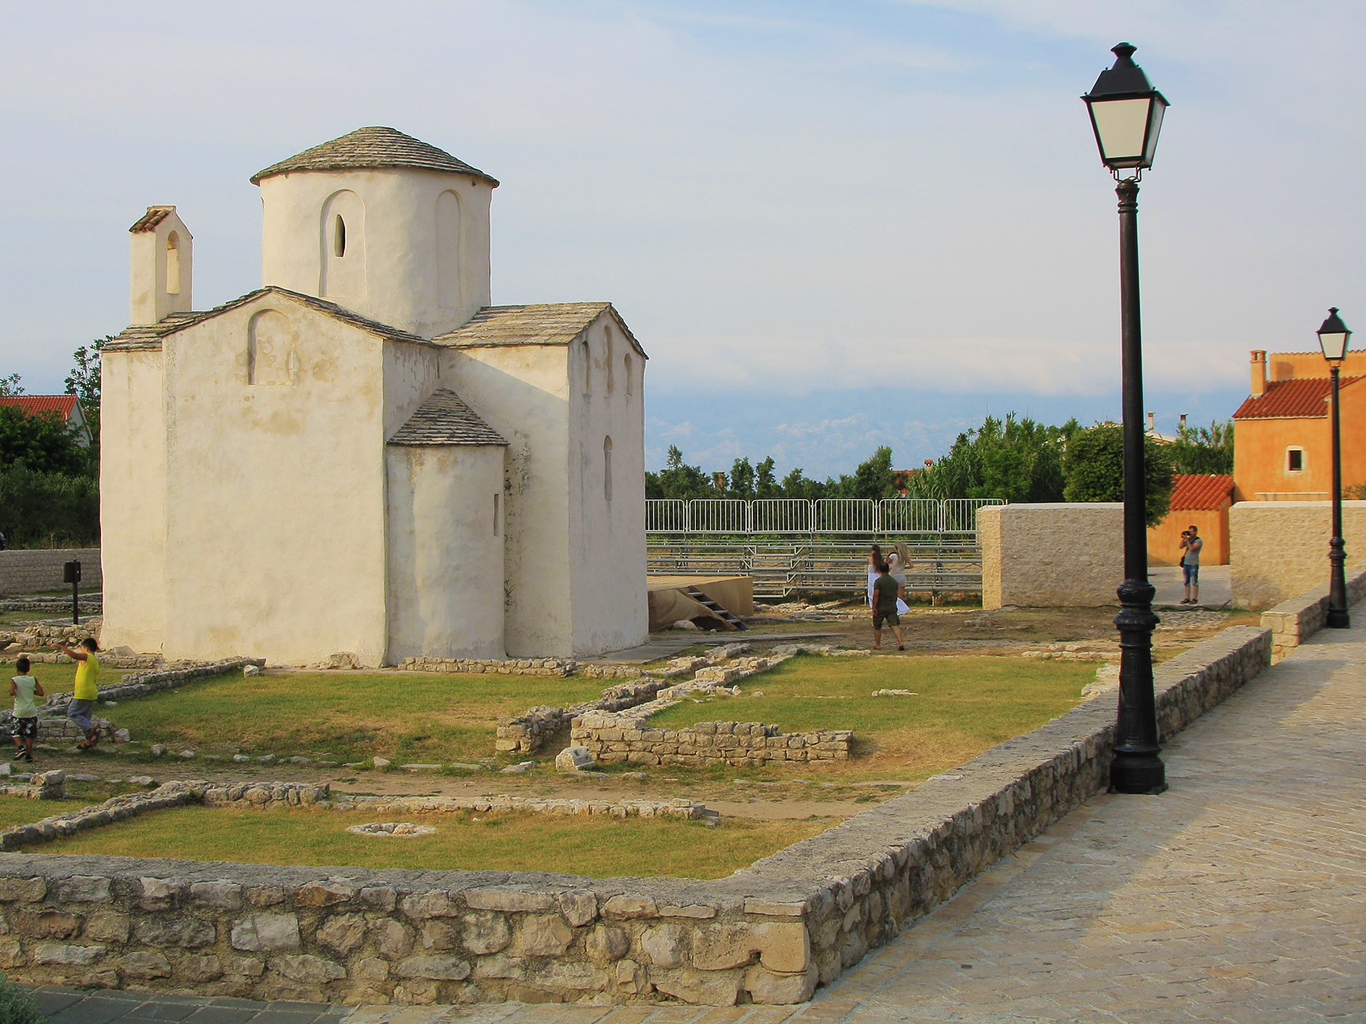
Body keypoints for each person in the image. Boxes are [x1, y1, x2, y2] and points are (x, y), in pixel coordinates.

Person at [57, 637, 101, 749]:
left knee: (72, 713)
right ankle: (88, 741)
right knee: (84, 718)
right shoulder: (94, 661)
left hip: (83, 693)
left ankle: (92, 732)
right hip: (91, 693)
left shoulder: (88, 657)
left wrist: (61, 647)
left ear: (85, 648)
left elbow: (75, 656)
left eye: (82, 648)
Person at [9, 656, 44, 763]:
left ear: (17, 669)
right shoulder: (33, 679)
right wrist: (31, 691)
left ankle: (20, 748)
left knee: (15, 732)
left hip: (19, 711)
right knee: (30, 735)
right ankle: (29, 756)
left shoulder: (15, 680)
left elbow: (11, 692)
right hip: (31, 711)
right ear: (28, 669)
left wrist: (17, 691)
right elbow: (41, 693)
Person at [871, 561, 905, 651]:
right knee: (895, 625)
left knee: (877, 626)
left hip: (880, 606)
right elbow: (895, 594)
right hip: (891, 606)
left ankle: (878, 645)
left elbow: (876, 595)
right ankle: (900, 642)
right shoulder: (893, 581)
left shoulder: (878, 581)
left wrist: (874, 607)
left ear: (879, 570)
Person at [1179, 525, 1203, 605]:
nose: (1190, 533)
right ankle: (1187, 597)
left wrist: (1188, 541)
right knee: (1186, 582)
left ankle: (1195, 598)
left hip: (1193, 563)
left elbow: (1192, 548)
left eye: (1191, 531)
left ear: (1195, 532)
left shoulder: (1198, 541)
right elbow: (1180, 546)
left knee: (1194, 581)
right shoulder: (1188, 539)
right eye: (1189, 531)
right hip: (1186, 563)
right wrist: (1183, 538)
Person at [866, 544, 884, 609]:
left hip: (871, 577)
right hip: (878, 576)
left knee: (871, 592)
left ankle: (873, 605)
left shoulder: (870, 558)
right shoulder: (881, 559)